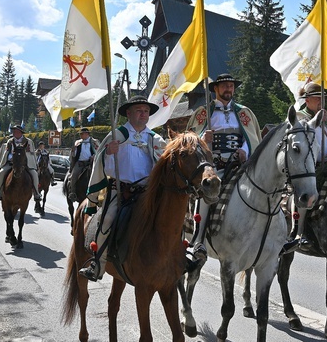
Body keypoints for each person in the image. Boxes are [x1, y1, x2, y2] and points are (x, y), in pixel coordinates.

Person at [78, 96, 166, 281]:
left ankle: (180, 256)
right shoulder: (116, 135)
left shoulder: (156, 138)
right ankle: (98, 264)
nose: (143, 114)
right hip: (121, 192)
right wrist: (108, 153)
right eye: (139, 110)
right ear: (128, 113)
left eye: (146, 111)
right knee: (107, 220)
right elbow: (101, 163)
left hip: (147, 194)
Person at [185, 73, 262, 264]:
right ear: (216, 90)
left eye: (231, 86)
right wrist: (203, 139)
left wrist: (245, 150)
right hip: (213, 165)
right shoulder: (204, 113)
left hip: (239, 164)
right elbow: (189, 141)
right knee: (205, 192)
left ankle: (269, 236)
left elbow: (252, 138)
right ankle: (198, 239)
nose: (229, 89)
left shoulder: (244, 113)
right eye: (225, 86)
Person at [283, 82, 327, 254]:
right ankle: (300, 233)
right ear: (307, 100)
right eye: (317, 98)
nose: (321, 101)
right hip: (310, 167)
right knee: (307, 193)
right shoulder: (298, 119)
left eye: (323, 98)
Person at [0, 125, 42, 203]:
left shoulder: (29, 141)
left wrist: (34, 164)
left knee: (34, 174)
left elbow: (32, 154)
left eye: (16, 131)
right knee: (1, 172)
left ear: (21, 132)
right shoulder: (10, 141)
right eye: (14, 131)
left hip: (26, 164)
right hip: (11, 163)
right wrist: (11, 158)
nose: (15, 133)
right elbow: (7, 153)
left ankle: (36, 193)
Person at [68, 127, 99, 196]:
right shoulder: (78, 142)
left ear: (87, 134)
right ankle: (72, 192)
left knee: (99, 175)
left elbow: (99, 152)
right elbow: (74, 155)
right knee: (74, 175)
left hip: (91, 163)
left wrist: (94, 156)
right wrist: (73, 151)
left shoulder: (94, 142)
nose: (81, 135)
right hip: (80, 163)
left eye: (82, 134)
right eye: (80, 134)